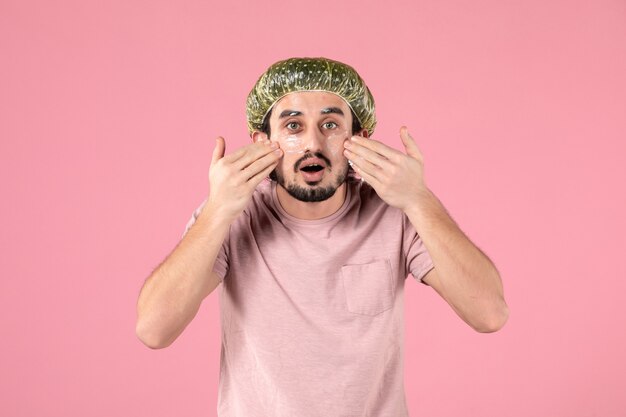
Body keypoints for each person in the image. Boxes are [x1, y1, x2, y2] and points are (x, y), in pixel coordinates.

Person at [136, 57, 509, 416]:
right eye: (293, 126)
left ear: (359, 137)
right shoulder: (234, 215)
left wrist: (419, 198)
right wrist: (218, 209)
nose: (313, 143)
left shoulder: (394, 212)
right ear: (262, 140)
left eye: (330, 125)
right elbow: (154, 329)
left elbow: (489, 313)